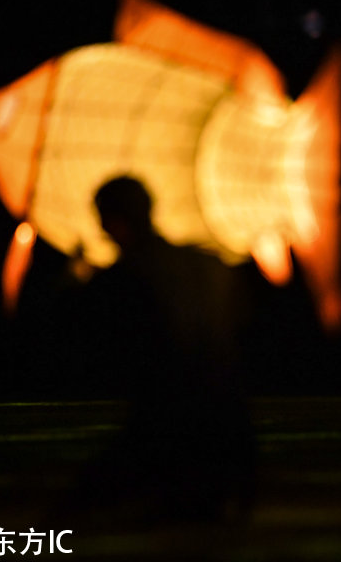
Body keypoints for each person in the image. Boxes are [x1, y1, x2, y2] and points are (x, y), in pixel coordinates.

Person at [60, 175, 256, 526]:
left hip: (168, 438)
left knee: (73, 517)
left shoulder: (119, 281)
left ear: (111, 222)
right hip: (235, 439)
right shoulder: (211, 266)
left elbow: (84, 350)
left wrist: (74, 285)